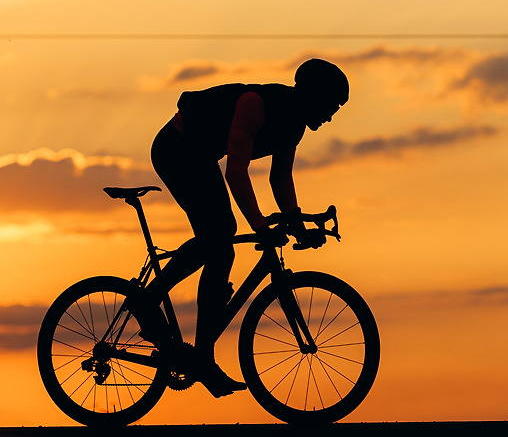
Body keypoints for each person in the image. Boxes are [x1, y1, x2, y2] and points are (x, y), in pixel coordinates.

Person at [127, 58, 349, 397]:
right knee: (219, 234)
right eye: (331, 106)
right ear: (312, 96)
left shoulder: (295, 124)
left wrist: (296, 224)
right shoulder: (255, 105)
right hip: (176, 147)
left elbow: (280, 178)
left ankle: (202, 355)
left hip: (200, 154)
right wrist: (260, 225)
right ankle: (148, 301)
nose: (332, 116)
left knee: (221, 248)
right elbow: (236, 172)